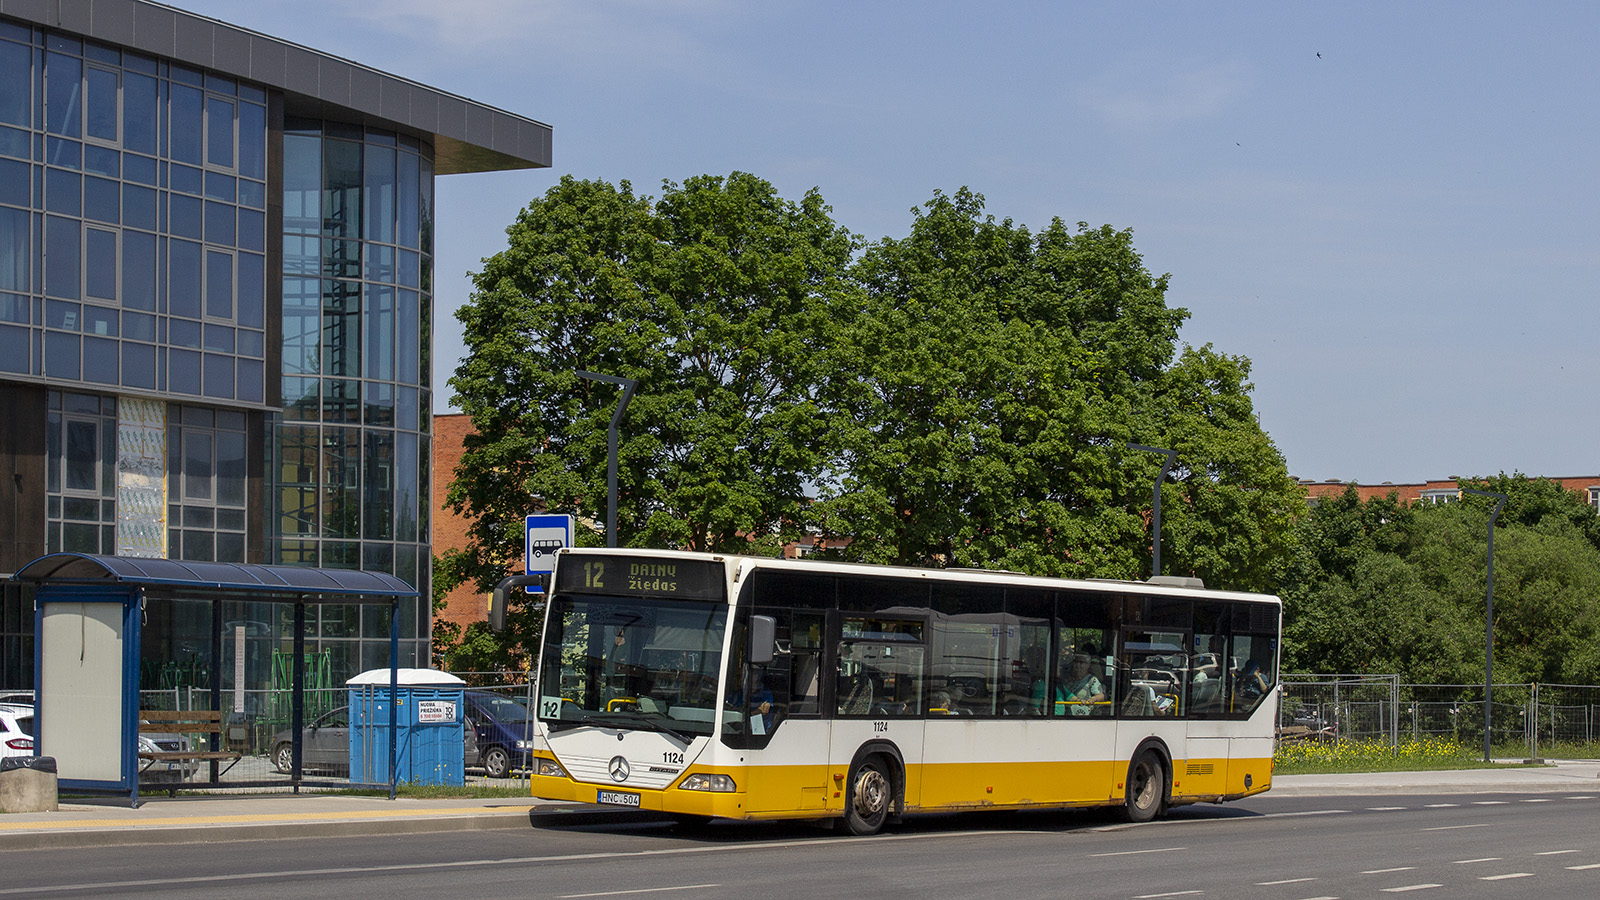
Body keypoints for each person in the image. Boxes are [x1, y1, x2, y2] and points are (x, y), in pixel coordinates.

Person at [1056, 652, 1106, 717]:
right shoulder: (1065, 680)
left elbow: (1101, 696)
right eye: (1076, 662)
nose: (1078, 665)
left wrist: (1093, 699)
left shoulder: (1091, 680)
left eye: (1081, 662)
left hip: (1086, 718)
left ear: (1088, 665)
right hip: (1067, 718)